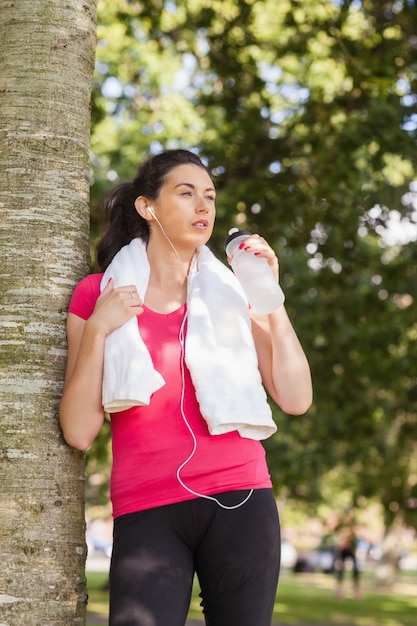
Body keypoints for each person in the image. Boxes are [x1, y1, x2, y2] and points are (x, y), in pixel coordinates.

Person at [59, 148, 313, 626]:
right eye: (187, 193)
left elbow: (296, 399)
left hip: (241, 499)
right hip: (148, 508)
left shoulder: (235, 291)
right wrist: (97, 329)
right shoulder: (99, 294)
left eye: (210, 197)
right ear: (147, 206)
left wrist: (269, 298)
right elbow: (78, 431)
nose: (204, 207)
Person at [334, 525, 361, 599]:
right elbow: (339, 550)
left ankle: (356, 593)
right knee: (339, 574)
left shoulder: (354, 541)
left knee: (356, 573)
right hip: (343, 552)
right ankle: (338, 593)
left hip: (350, 552)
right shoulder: (341, 542)